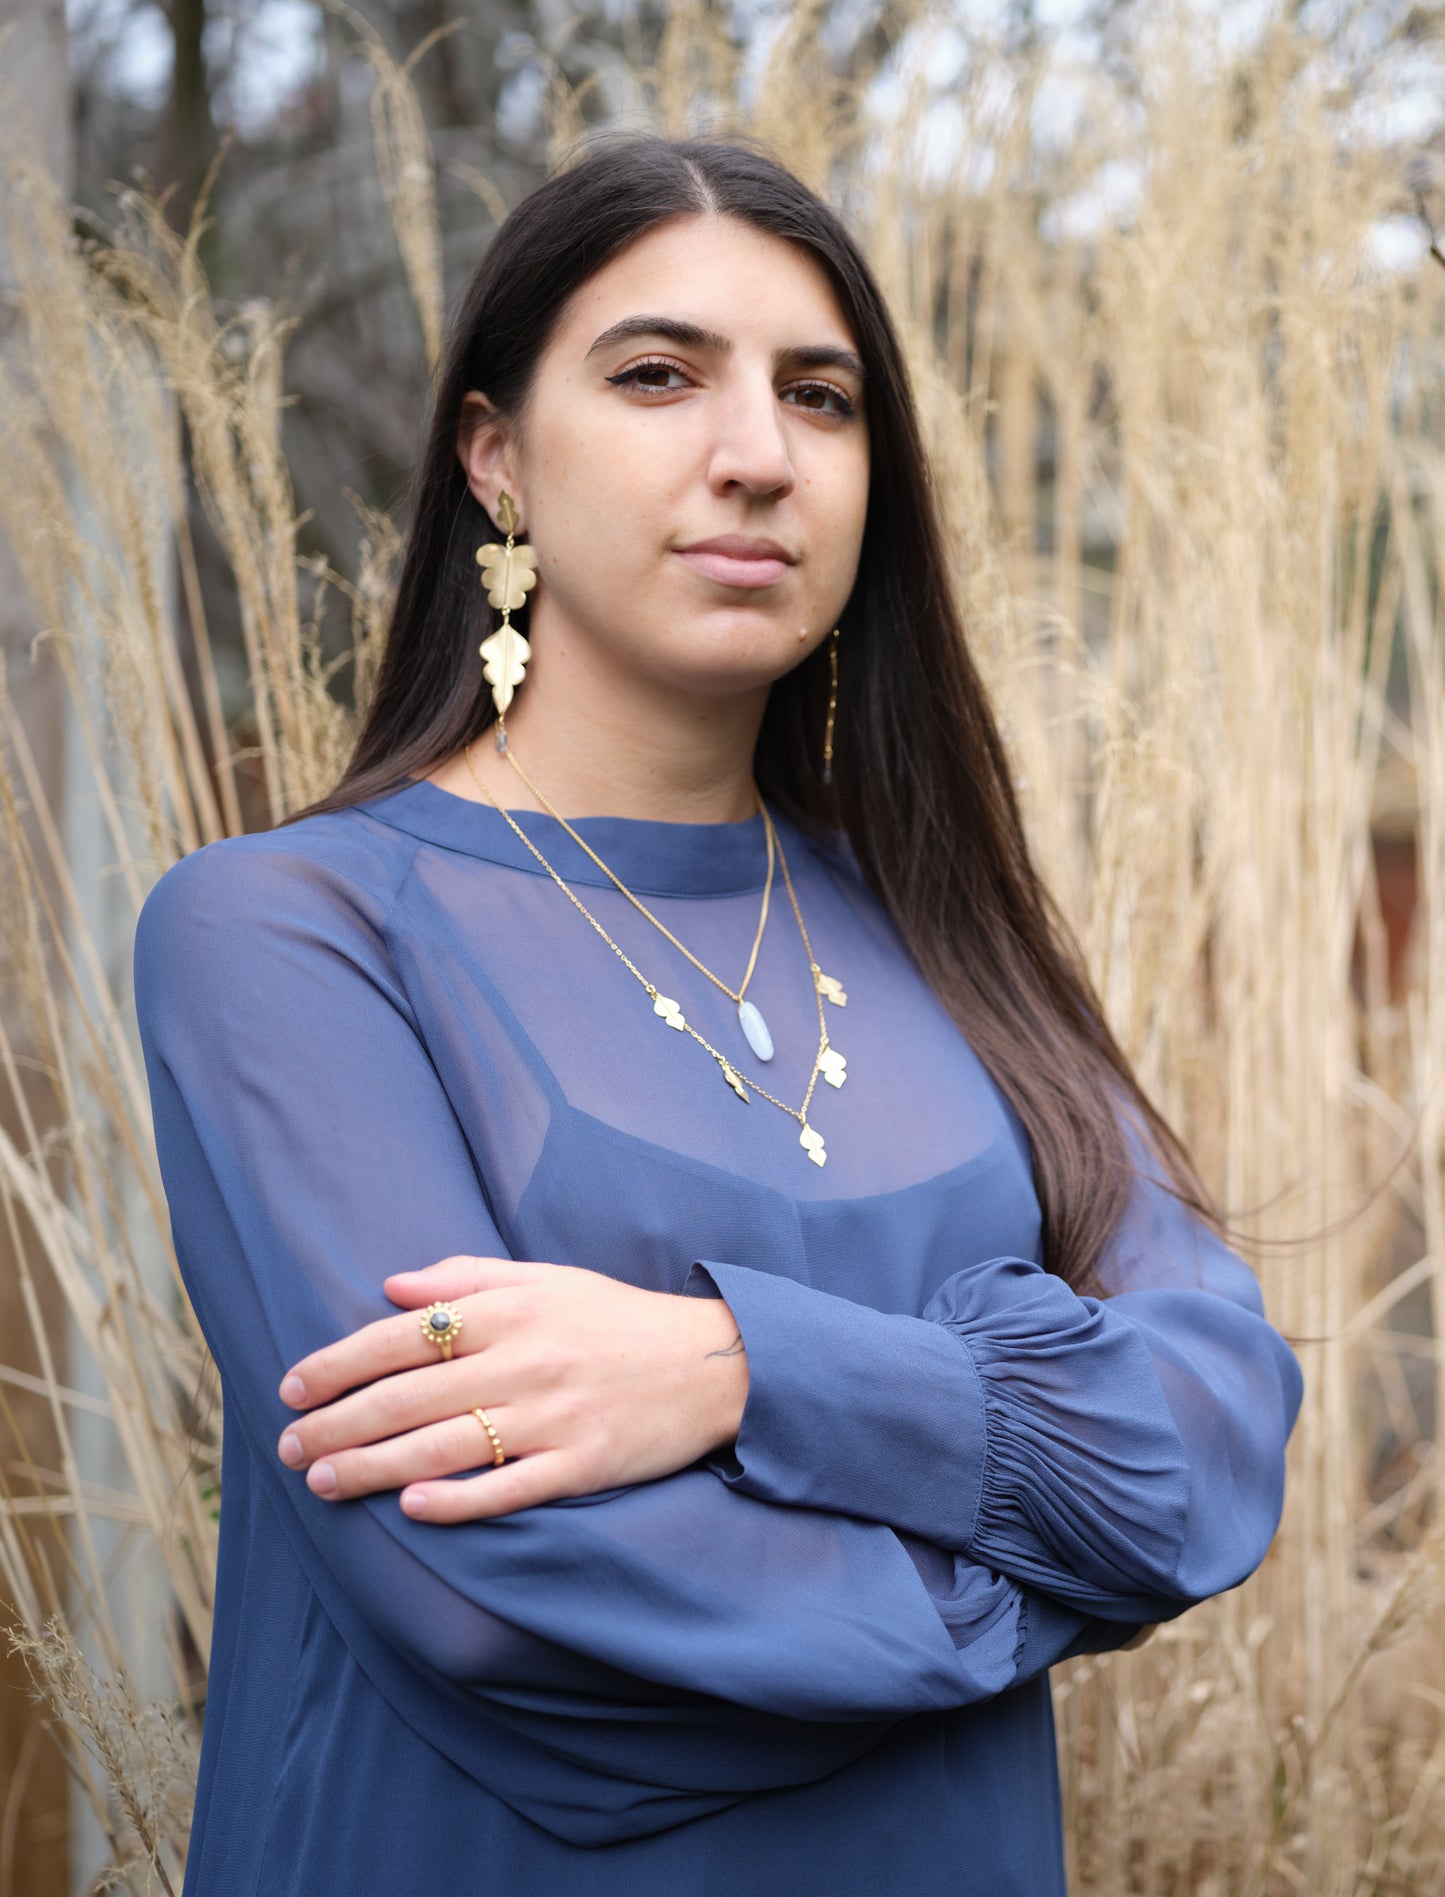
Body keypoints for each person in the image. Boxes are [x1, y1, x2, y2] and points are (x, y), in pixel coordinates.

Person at [133, 133, 1304, 1896]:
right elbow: (495, 1610)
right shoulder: (289, 934)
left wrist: (735, 1369)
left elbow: (1209, 1439)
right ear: (496, 459)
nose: (755, 456)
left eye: (820, 398)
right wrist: (1041, 1535)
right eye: (658, 375)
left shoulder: (941, 923)